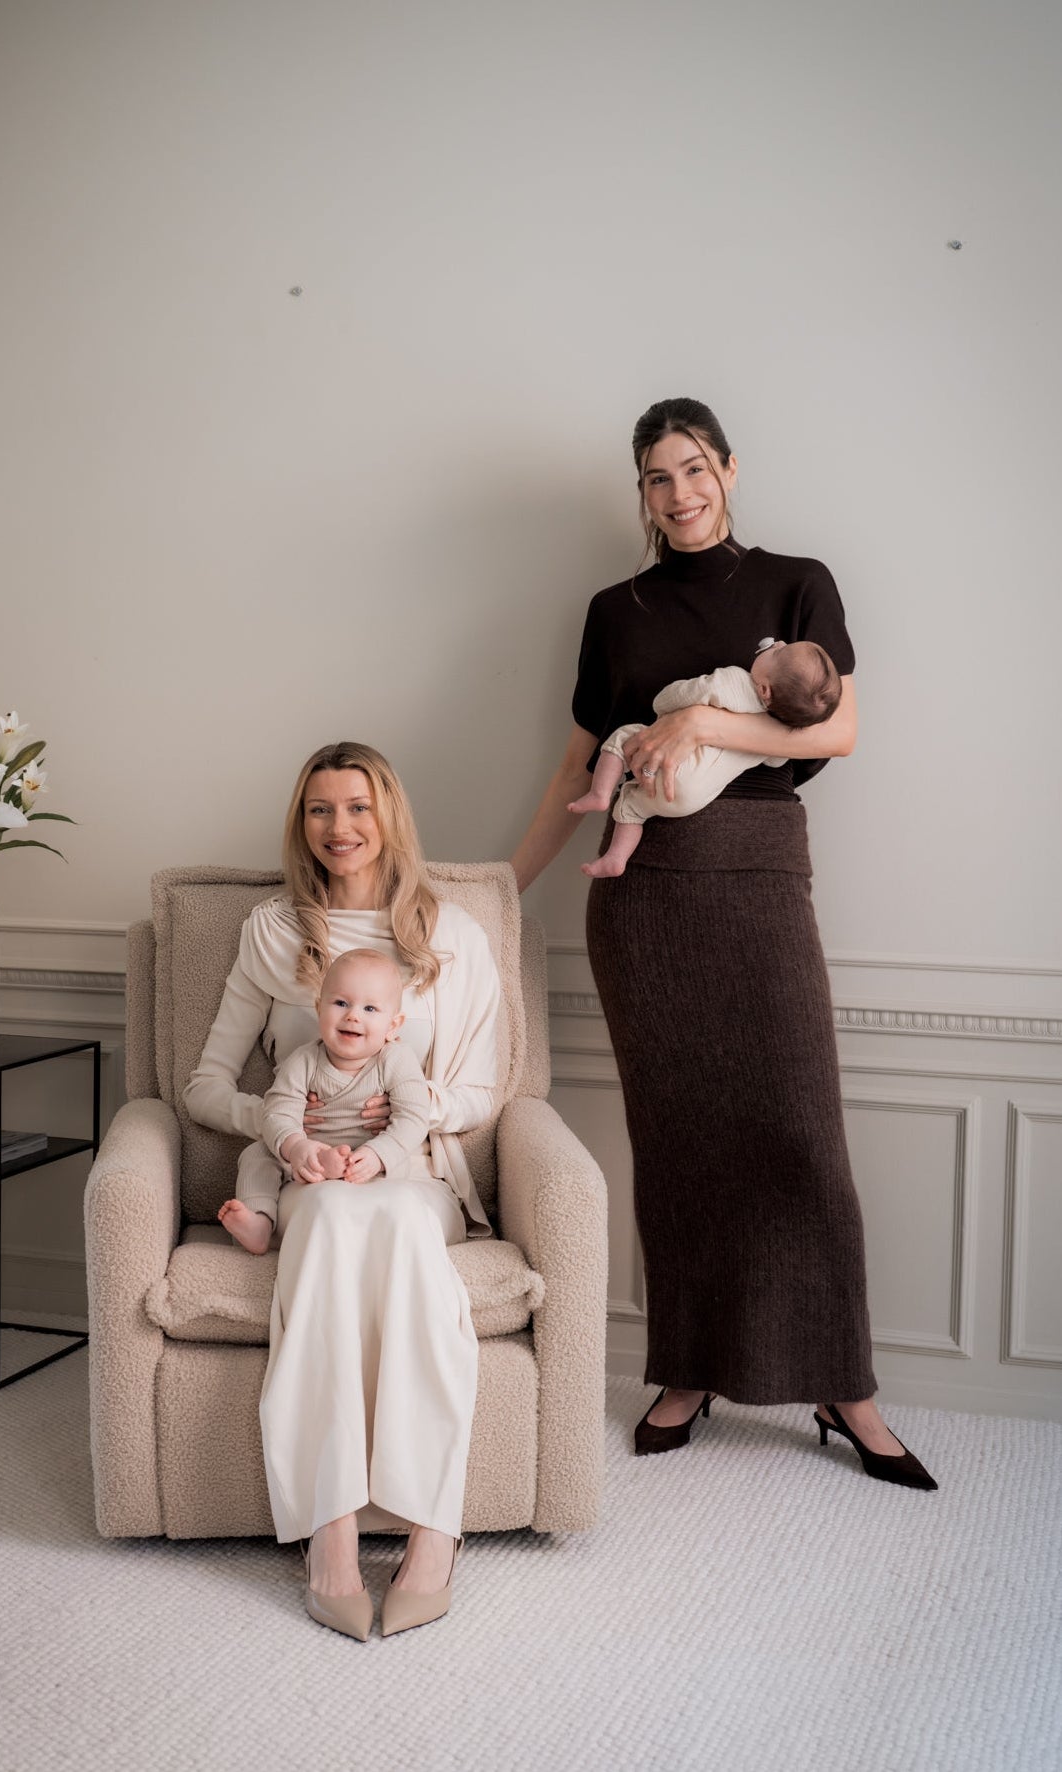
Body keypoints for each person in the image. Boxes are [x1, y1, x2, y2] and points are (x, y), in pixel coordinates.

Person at [511, 396, 936, 1491]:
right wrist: (495, 890)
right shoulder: (616, 609)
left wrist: (702, 724)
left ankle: (844, 1384)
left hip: (755, 873)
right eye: (658, 477)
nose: (680, 493)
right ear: (641, 492)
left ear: (729, 469)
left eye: (694, 468)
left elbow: (835, 728)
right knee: (681, 1141)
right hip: (642, 897)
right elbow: (574, 773)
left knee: (801, 1131)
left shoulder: (797, 582)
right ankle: (688, 1366)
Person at [184, 741, 501, 1640]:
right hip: (309, 1175)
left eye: (357, 807)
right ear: (302, 822)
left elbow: (485, 1090)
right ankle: (329, 1533)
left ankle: (434, 1531)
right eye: (321, 810)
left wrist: (395, 1125)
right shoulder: (273, 933)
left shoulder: (454, 934)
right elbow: (204, 1085)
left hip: (415, 1174)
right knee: (319, 1220)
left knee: (397, 1223)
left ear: (389, 813)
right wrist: (288, 1135)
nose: (340, 828)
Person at [216, 948, 431, 1256]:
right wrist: (296, 1147)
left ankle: (366, 1195)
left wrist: (379, 1154)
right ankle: (260, 1223)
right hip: (310, 1158)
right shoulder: (304, 1060)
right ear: (319, 1008)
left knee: (399, 1160)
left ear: (393, 1026)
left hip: (368, 1158)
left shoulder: (395, 1059)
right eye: (341, 1003)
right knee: (256, 1154)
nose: (353, 1015)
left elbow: (413, 1117)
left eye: (370, 1008)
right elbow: (277, 1111)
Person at [567, 638, 841, 877]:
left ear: (765, 690)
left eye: (779, 652)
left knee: (623, 739)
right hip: (693, 800)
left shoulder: (734, 681)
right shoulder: (771, 740)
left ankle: (600, 794)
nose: (777, 644)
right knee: (635, 807)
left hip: (669, 768)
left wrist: (662, 705)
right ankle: (617, 859)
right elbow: (776, 762)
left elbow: (683, 694)